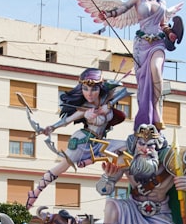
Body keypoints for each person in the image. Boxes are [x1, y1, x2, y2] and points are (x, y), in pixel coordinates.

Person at [77, 0, 182, 130]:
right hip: (142, 45)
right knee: (143, 85)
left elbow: (163, 24)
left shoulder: (162, 3)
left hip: (158, 43)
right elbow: (121, 9)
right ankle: (147, 111)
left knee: (157, 71)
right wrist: (106, 13)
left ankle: (156, 110)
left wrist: (171, 33)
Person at [25, 68, 128, 208]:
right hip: (83, 141)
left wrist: (108, 103)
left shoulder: (105, 99)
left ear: (100, 88)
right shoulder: (84, 108)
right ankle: (36, 192)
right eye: (85, 89)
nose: (89, 94)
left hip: (99, 142)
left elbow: (121, 90)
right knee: (61, 167)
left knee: (128, 145)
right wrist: (51, 127)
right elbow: (67, 120)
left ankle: (88, 161)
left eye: (93, 89)